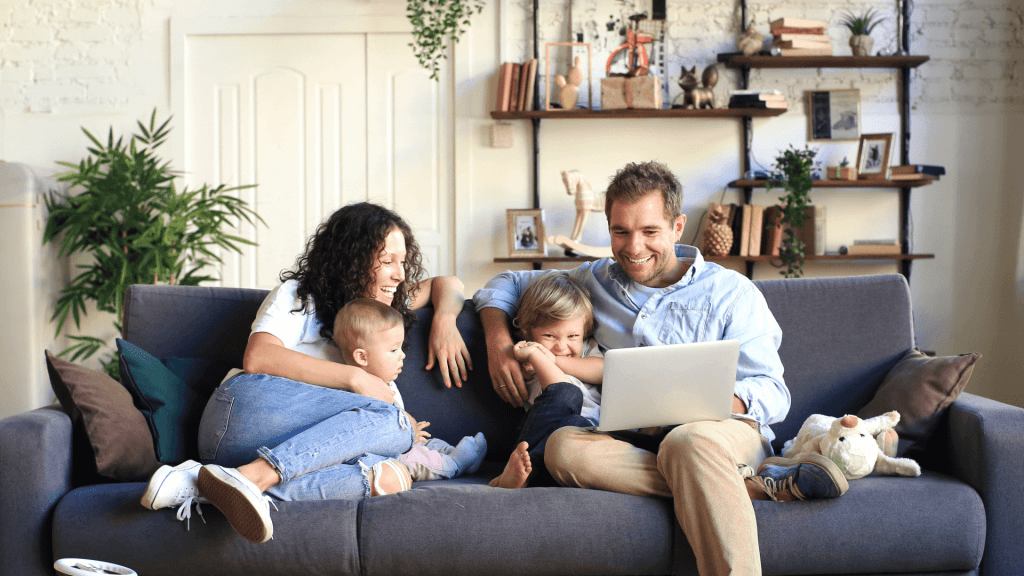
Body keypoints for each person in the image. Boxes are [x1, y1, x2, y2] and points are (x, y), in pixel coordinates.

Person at [473, 161, 848, 576]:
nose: (633, 248)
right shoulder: (591, 279)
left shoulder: (732, 292)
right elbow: (505, 283)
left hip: (718, 434)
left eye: (650, 232)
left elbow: (773, 392)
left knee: (687, 442)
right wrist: (498, 342)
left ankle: (717, 474)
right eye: (621, 232)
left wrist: (709, 399)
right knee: (563, 447)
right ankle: (744, 486)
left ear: (677, 227)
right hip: (627, 440)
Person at [139, 202, 529, 544]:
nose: (398, 274)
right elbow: (259, 357)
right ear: (354, 259)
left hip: (286, 450)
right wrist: (359, 380)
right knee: (395, 423)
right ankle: (256, 476)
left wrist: (444, 320)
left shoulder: (383, 305)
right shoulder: (300, 295)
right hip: (242, 413)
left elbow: (448, 284)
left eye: (402, 261)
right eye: (387, 261)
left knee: (390, 474)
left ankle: (205, 484)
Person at [332, 297, 488, 481]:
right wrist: (406, 436)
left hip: (403, 442)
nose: (403, 355)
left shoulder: (386, 383)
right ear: (362, 357)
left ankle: (460, 457)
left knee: (429, 443)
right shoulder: (357, 392)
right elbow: (372, 437)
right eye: (393, 350)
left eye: (401, 348)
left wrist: (411, 429)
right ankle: (453, 465)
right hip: (385, 455)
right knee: (413, 459)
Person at [478, 272, 604, 487]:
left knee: (578, 424)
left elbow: (602, 370)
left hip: (589, 438)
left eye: (573, 336)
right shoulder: (527, 357)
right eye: (550, 336)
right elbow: (559, 390)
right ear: (527, 331)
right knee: (566, 397)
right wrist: (537, 356)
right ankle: (518, 476)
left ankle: (527, 478)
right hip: (546, 438)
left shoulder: (587, 348)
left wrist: (551, 358)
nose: (562, 346)